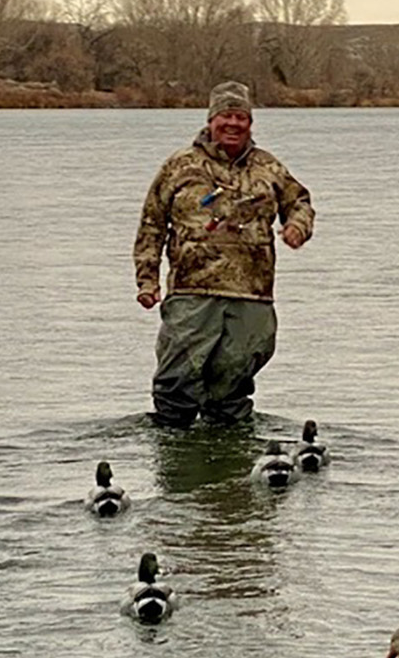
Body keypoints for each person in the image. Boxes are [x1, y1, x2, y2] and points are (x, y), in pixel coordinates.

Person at [133, 80, 314, 427]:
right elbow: (151, 224)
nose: (233, 123)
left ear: (250, 123)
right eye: (225, 116)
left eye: (240, 117)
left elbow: (300, 202)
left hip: (252, 294)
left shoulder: (269, 168)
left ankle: (229, 465)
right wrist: (147, 281)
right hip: (192, 292)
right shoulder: (180, 166)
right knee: (176, 385)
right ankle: (174, 461)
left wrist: (297, 227)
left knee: (233, 388)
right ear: (211, 120)